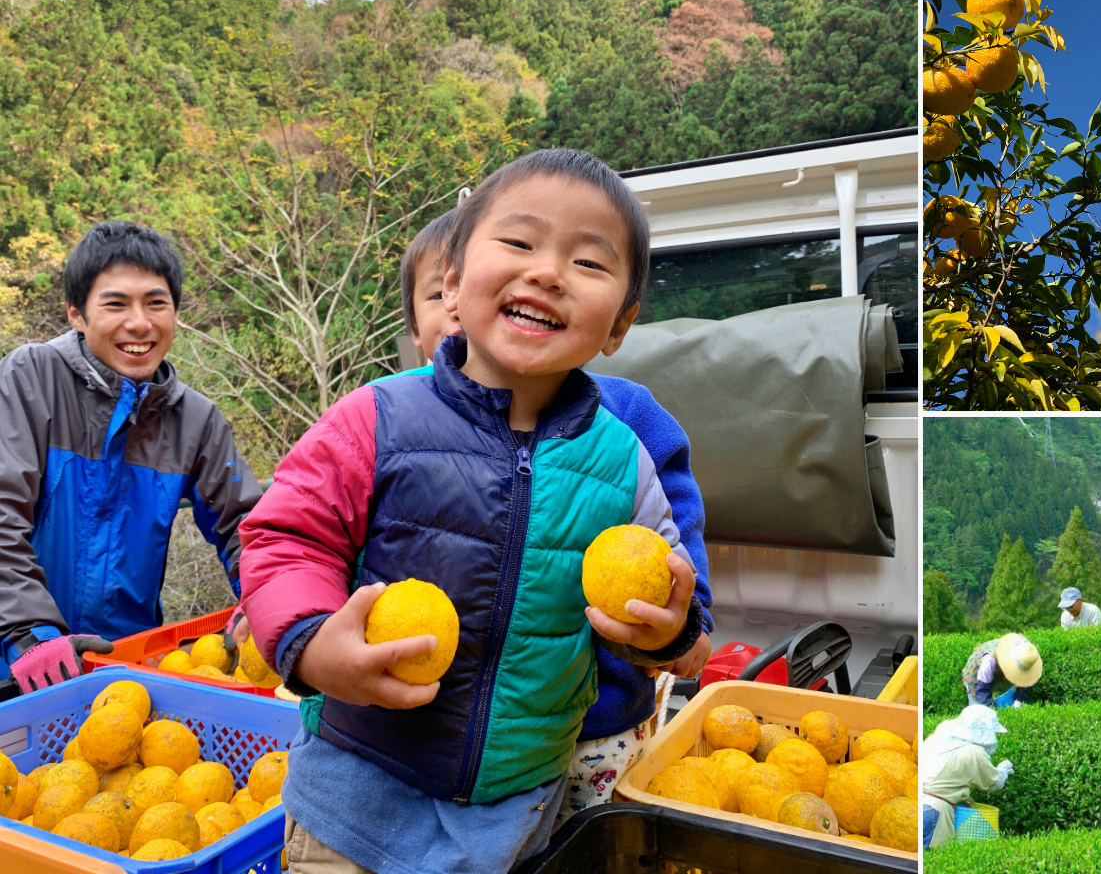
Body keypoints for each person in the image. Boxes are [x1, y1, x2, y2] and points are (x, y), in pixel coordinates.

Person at [239, 148, 705, 874]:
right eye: (519, 243)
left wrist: (668, 629)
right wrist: (310, 641)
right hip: (352, 807)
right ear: (452, 284)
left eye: (588, 264)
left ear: (620, 324)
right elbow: (286, 536)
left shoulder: (624, 461)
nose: (547, 272)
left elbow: (680, 606)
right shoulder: (377, 418)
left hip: (518, 819)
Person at [385, 206, 716, 822]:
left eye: (582, 263)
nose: (458, 311)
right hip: (434, 733)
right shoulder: (394, 424)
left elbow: (679, 569)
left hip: (597, 729)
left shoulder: (627, 424)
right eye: (438, 292)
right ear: (416, 321)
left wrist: (680, 625)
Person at [0, 221, 261, 696]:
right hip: (17, 663)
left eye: (156, 303)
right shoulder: (31, 378)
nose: (139, 323)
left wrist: (267, 595)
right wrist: (28, 631)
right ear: (77, 314)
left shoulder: (195, 420)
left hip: (126, 671)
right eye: (116, 304)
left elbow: (248, 523)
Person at [920, 704, 1013, 851]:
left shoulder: (940, 738)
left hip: (914, 801)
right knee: (930, 858)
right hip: (934, 811)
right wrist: (1003, 770)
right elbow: (993, 783)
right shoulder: (974, 752)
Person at [962, 633, 1042, 708]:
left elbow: (1026, 680)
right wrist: (991, 710)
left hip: (997, 672)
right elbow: (981, 689)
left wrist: (1019, 701)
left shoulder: (1027, 653)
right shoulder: (989, 661)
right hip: (976, 677)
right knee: (978, 709)